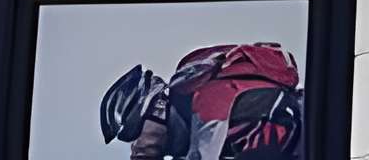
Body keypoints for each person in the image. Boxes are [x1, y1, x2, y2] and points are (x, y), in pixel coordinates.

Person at [101, 46, 303, 160]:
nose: (135, 147)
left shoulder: (204, 98)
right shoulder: (199, 137)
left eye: (133, 132)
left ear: (157, 107)